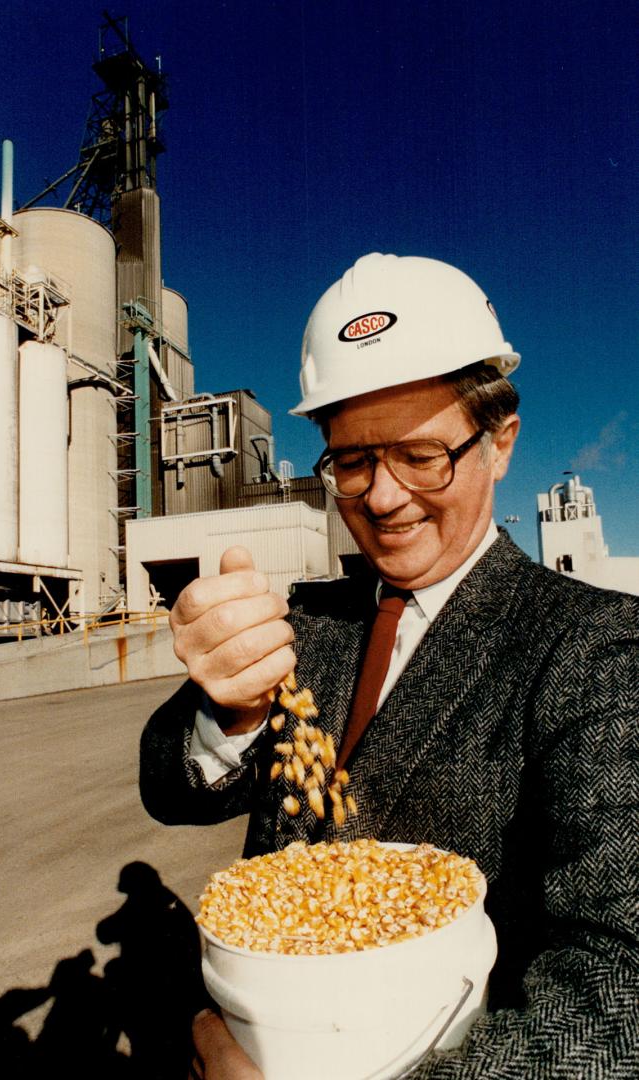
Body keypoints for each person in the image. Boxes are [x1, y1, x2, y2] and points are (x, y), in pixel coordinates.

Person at [140, 254, 639, 1078]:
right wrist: (224, 713)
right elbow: (169, 787)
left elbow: (618, 983)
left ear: (499, 442)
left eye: (418, 454)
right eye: (351, 461)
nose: (380, 496)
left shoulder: (593, 650)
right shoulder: (311, 624)